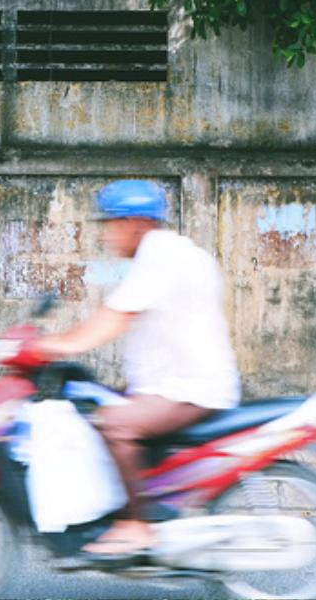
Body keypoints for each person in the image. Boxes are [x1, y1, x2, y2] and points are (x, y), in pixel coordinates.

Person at [35, 179, 241, 556]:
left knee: (116, 424)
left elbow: (115, 318)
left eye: (111, 223)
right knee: (95, 405)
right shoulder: (168, 253)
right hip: (171, 383)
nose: (107, 234)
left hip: (190, 389)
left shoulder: (162, 257)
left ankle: (136, 525)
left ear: (136, 222)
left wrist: (54, 344)